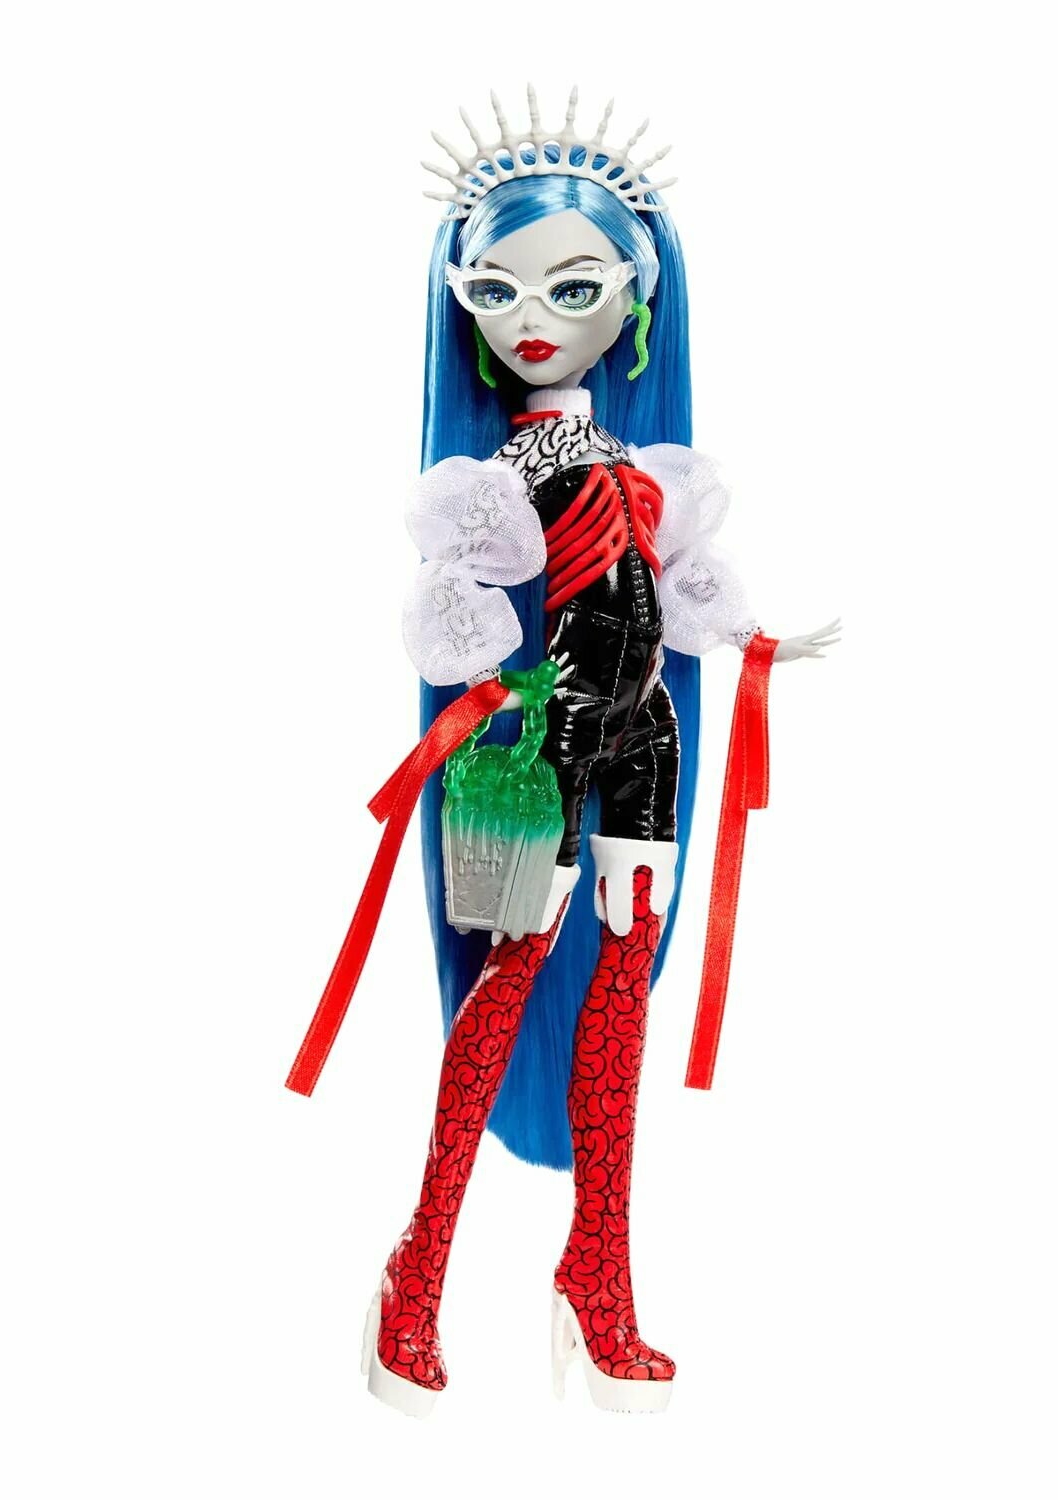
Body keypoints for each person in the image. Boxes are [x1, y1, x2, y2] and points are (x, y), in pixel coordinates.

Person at [355, 86, 839, 1416]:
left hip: (648, 742)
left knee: (626, 978)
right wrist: (480, 685)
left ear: (635, 299)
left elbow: (674, 585)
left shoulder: (642, 459)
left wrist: (756, 641)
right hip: (541, 739)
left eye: (573, 289)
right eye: (496, 292)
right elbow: (454, 611)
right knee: (504, 981)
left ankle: (598, 1272)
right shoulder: (486, 480)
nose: (532, 319)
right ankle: (416, 1273)